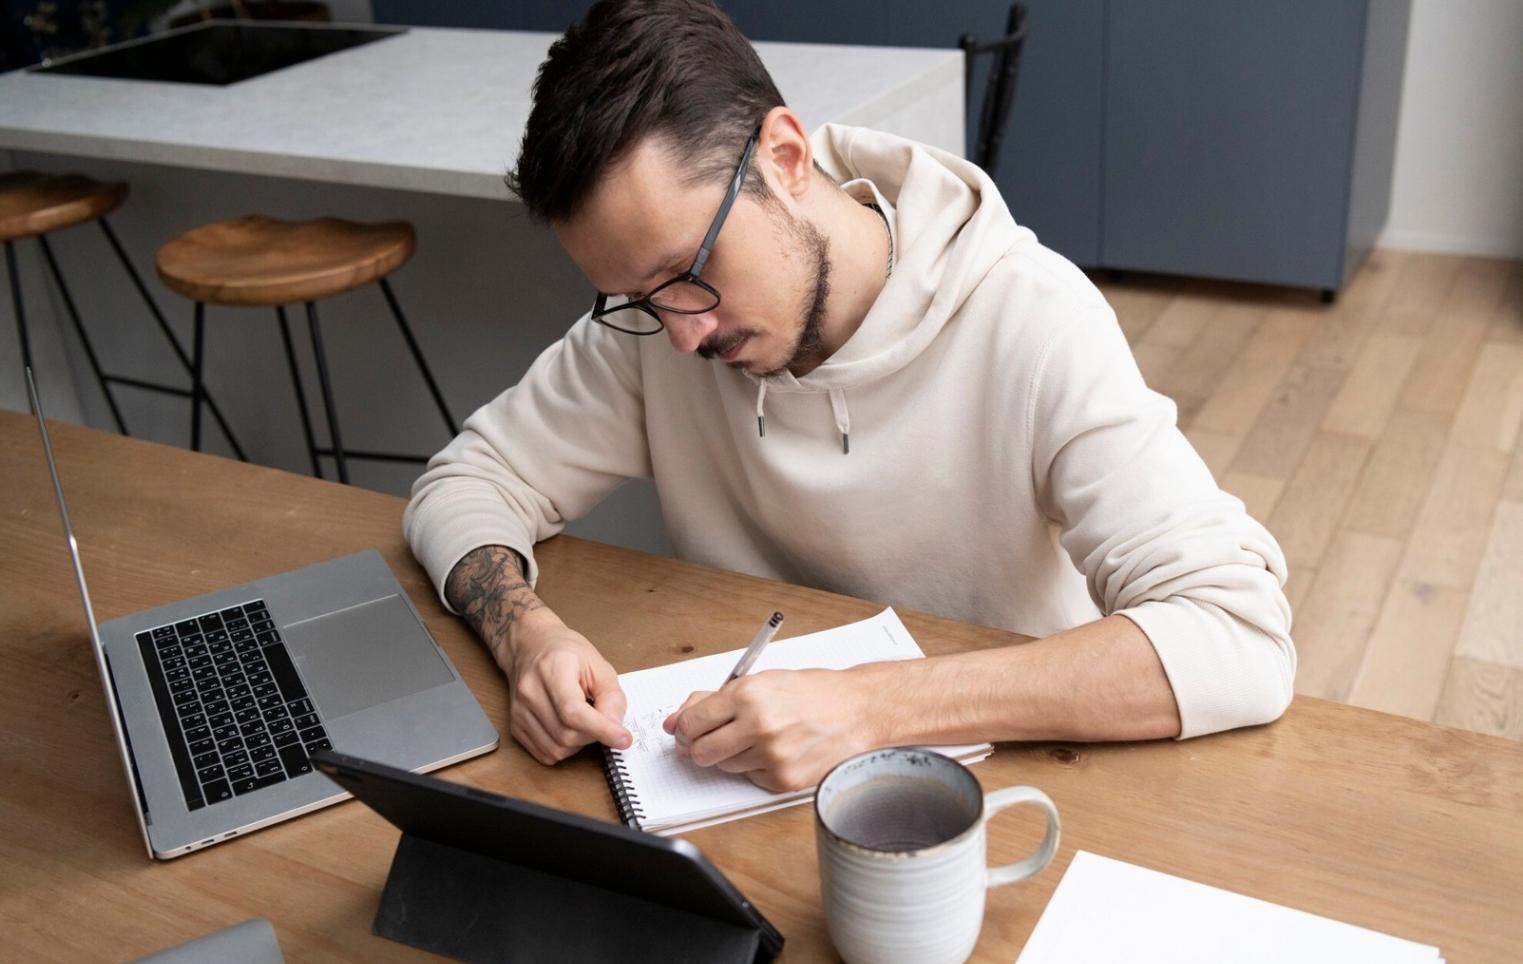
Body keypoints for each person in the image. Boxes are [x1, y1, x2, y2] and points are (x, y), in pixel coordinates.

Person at [404, 0, 1295, 791]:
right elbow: (464, 482)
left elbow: (1237, 638)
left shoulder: (1029, 316)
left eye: (687, 271)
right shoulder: (659, 331)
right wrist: (527, 634)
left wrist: (875, 708)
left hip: (1017, 784)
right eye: (639, 298)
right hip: (740, 786)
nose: (680, 333)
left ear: (785, 157)